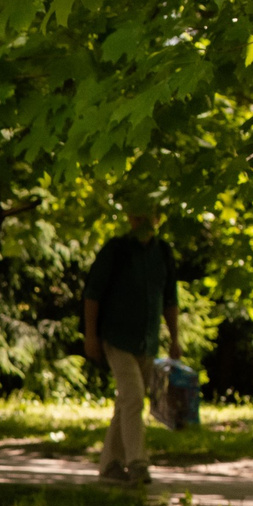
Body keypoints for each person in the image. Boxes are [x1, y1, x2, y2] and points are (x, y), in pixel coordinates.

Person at [83, 205, 183, 485]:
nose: (140, 220)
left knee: (126, 401)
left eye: (147, 215)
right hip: (116, 338)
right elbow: (92, 294)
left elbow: (170, 299)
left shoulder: (163, 252)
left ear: (157, 218)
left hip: (147, 340)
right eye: (136, 215)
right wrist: (91, 336)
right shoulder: (116, 249)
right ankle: (137, 463)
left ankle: (110, 463)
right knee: (135, 396)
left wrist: (175, 338)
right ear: (129, 218)